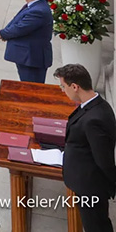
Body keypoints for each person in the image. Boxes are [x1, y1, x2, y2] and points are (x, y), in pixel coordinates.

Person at [53, 64, 116, 232]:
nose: (62, 90)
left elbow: (104, 158)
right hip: (85, 180)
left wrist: (111, 185)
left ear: (75, 86)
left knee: (96, 226)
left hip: (91, 186)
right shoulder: (94, 105)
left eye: (63, 86)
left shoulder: (94, 119)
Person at [0, 0, 53, 83]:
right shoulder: (34, 6)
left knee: (31, 89)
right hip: (28, 57)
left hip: (32, 58)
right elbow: (16, 20)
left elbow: (20, 28)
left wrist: (3, 33)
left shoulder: (38, 11)